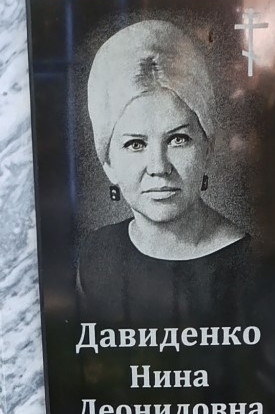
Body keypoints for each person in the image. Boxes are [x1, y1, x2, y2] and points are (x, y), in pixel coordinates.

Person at [76, 18, 248, 328]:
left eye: (178, 139)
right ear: (108, 163)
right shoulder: (97, 255)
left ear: (207, 147)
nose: (159, 167)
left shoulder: (254, 265)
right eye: (135, 144)